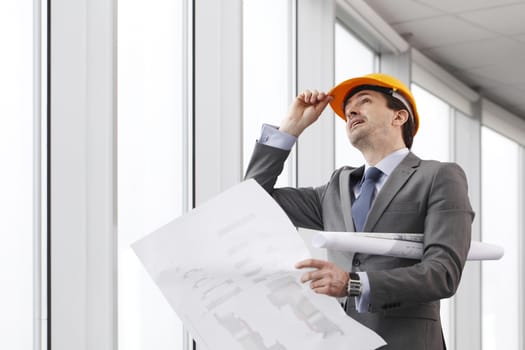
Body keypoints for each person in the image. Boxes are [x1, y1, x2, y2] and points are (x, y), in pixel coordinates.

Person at [244, 73, 473, 350]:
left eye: (364, 101)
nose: (351, 110)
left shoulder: (438, 176)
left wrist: (353, 283)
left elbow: (442, 273)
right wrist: (289, 129)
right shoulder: (335, 189)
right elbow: (252, 199)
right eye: (348, 107)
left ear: (399, 116)